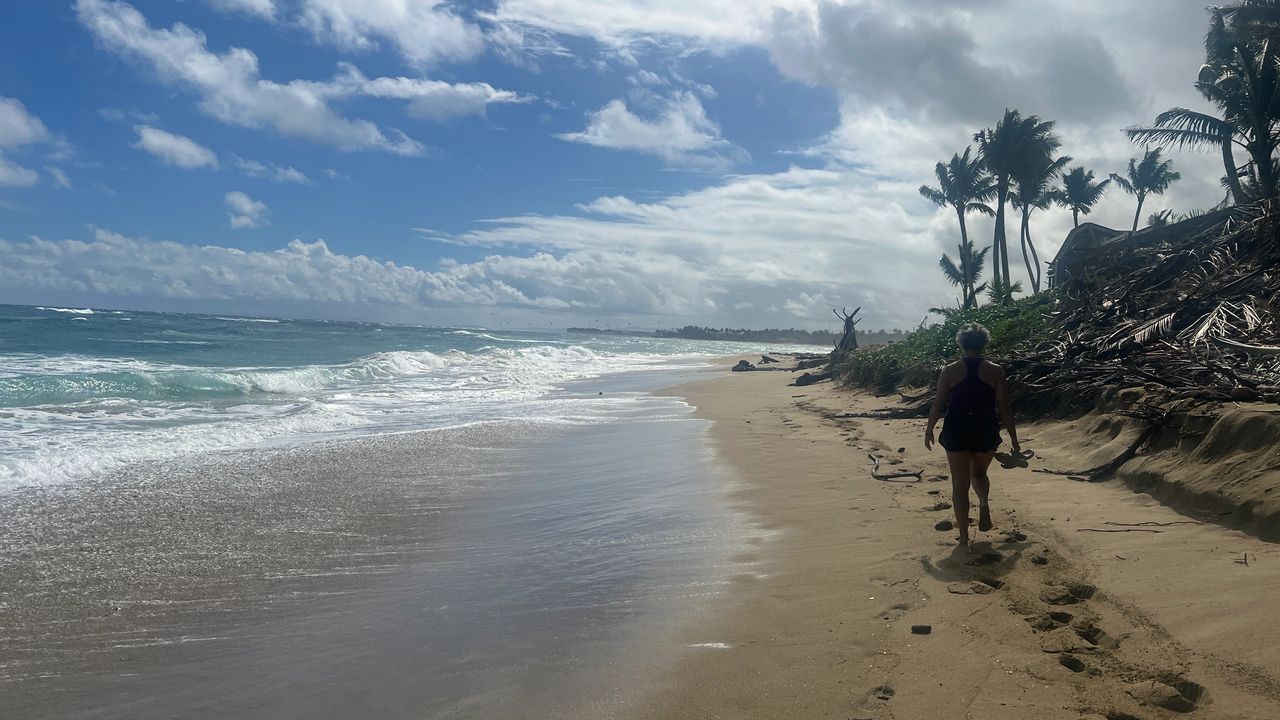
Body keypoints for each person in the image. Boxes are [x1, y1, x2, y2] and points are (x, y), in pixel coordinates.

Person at [923, 323, 1021, 545]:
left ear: (961, 344)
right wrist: (1014, 440)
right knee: (978, 474)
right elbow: (1005, 408)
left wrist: (929, 430)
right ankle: (983, 503)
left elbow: (938, 404)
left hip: (957, 427)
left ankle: (964, 538)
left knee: (960, 483)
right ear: (984, 344)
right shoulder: (995, 370)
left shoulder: (950, 370)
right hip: (985, 427)